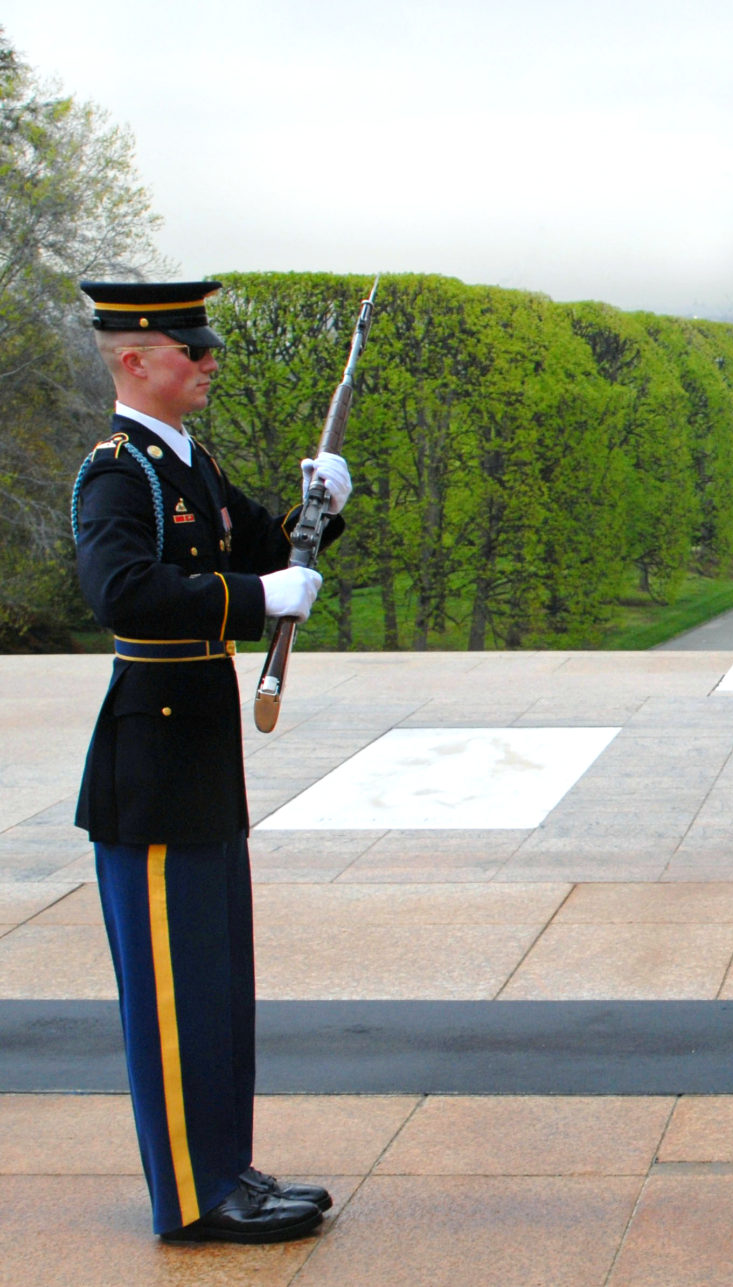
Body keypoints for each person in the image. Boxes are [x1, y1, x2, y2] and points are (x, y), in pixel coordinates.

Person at [71, 280, 352, 1243]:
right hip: (148, 770)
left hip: (197, 757)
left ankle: (227, 1169)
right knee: (174, 999)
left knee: (217, 986)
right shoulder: (121, 473)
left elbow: (276, 550)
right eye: (189, 348)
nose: (207, 362)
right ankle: (193, 1198)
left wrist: (322, 510)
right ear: (134, 359)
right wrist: (255, 595)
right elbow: (124, 593)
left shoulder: (186, 463)